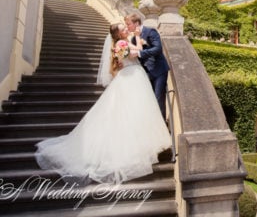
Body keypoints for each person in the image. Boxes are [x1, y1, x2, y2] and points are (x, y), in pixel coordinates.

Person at [35, 23, 172, 184]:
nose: (126, 29)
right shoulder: (121, 44)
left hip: (135, 76)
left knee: (139, 112)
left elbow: (129, 56)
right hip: (131, 77)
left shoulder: (125, 41)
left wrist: (137, 45)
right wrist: (139, 47)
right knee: (130, 111)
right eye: (123, 29)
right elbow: (130, 56)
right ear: (118, 34)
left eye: (125, 27)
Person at [125, 13, 169, 120]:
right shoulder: (133, 39)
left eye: (129, 24)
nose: (127, 27)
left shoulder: (150, 31)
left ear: (136, 23)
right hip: (146, 73)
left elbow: (158, 49)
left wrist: (140, 54)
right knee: (148, 100)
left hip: (159, 71)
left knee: (158, 99)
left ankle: (162, 126)